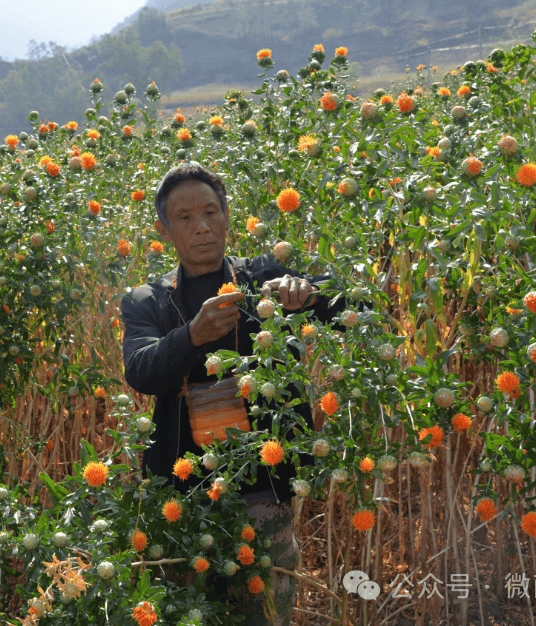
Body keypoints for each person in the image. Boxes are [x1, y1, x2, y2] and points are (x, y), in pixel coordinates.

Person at [120, 162, 347, 625]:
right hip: (182, 492)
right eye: (184, 217)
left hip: (262, 490)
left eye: (210, 211)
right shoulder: (148, 300)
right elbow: (141, 371)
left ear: (227, 216)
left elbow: (353, 309)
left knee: (262, 614)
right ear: (164, 230)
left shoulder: (265, 278)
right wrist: (193, 335)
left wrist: (311, 294)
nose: (201, 226)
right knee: (186, 613)